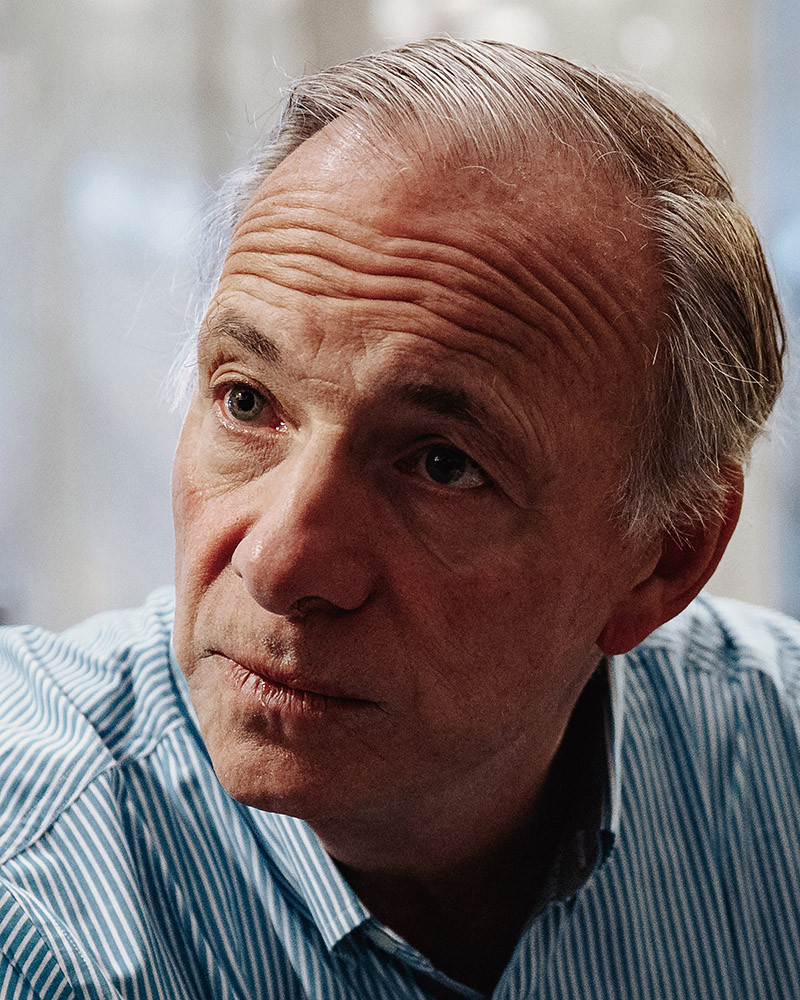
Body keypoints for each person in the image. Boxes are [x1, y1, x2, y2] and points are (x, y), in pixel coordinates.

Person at [1, 36, 797, 1000]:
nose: (278, 563)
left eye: (442, 465)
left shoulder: (778, 774)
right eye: (247, 402)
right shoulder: (32, 887)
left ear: (664, 559)